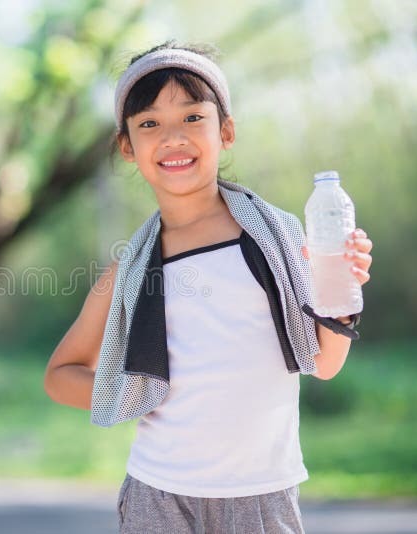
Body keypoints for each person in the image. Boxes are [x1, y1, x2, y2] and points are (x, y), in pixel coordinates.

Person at [43, 40, 373, 533]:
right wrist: (130, 391)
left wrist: (342, 289)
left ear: (227, 130)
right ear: (128, 147)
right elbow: (59, 376)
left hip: (263, 499)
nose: (173, 137)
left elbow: (324, 363)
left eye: (193, 118)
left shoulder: (278, 240)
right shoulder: (130, 269)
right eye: (150, 123)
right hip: (158, 497)